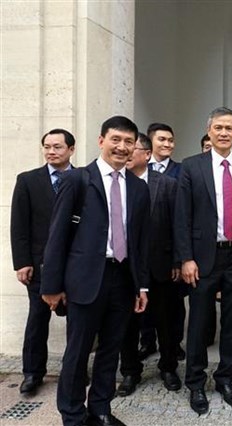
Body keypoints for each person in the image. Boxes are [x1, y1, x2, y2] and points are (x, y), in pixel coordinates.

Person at [41, 116, 150, 426]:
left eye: (129, 142)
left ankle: (100, 409)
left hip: (122, 278)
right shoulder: (77, 180)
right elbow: (57, 234)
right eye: (116, 139)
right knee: (77, 352)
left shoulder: (138, 188)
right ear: (101, 140)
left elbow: (140, 242)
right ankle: (73, 415)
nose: (122, 147)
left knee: (111, 349)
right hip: (85, 279)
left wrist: (142, 287)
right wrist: (51, 285)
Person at [175, 107, 232, 414]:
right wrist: (186, 258)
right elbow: (181, 217)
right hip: (202, 257)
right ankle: (196, 383)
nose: (224, 132)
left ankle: (225, 378)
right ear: (209, 131)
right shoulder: (191, 166)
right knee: (198, 323)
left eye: (229, 128)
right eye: (219, 128)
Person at [10, 129, 75, 396]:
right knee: (37, 319)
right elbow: (19, 225)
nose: (51, 151)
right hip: (39, 265)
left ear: (71, 149)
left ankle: (75, 372)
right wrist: (22, 262)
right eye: (47, 146)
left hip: (75, 264)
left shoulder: (83, 179)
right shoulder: (28, 180)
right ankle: (32, 373)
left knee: (77, 322)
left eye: (57, 147)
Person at [117, 133, 181, 397]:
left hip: (161, 265)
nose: (128, 153)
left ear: (146, 154)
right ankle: (130, 371)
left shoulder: (166, 184)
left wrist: (178, 259)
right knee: (127, 324)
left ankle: (168, 367)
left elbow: (179, 224)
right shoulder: (117, 183)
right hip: (125, 268)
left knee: (166, 322)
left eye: (134, 149)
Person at [141, 122, 185, 362]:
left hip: (166, 254)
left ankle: (172, 345)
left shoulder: (181, 171)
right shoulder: (135, 170)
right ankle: (146, 341)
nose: (167, 144)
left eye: (170, 140)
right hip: (140, 255)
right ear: (149, 144)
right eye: (162, 140)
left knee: (171, 307)